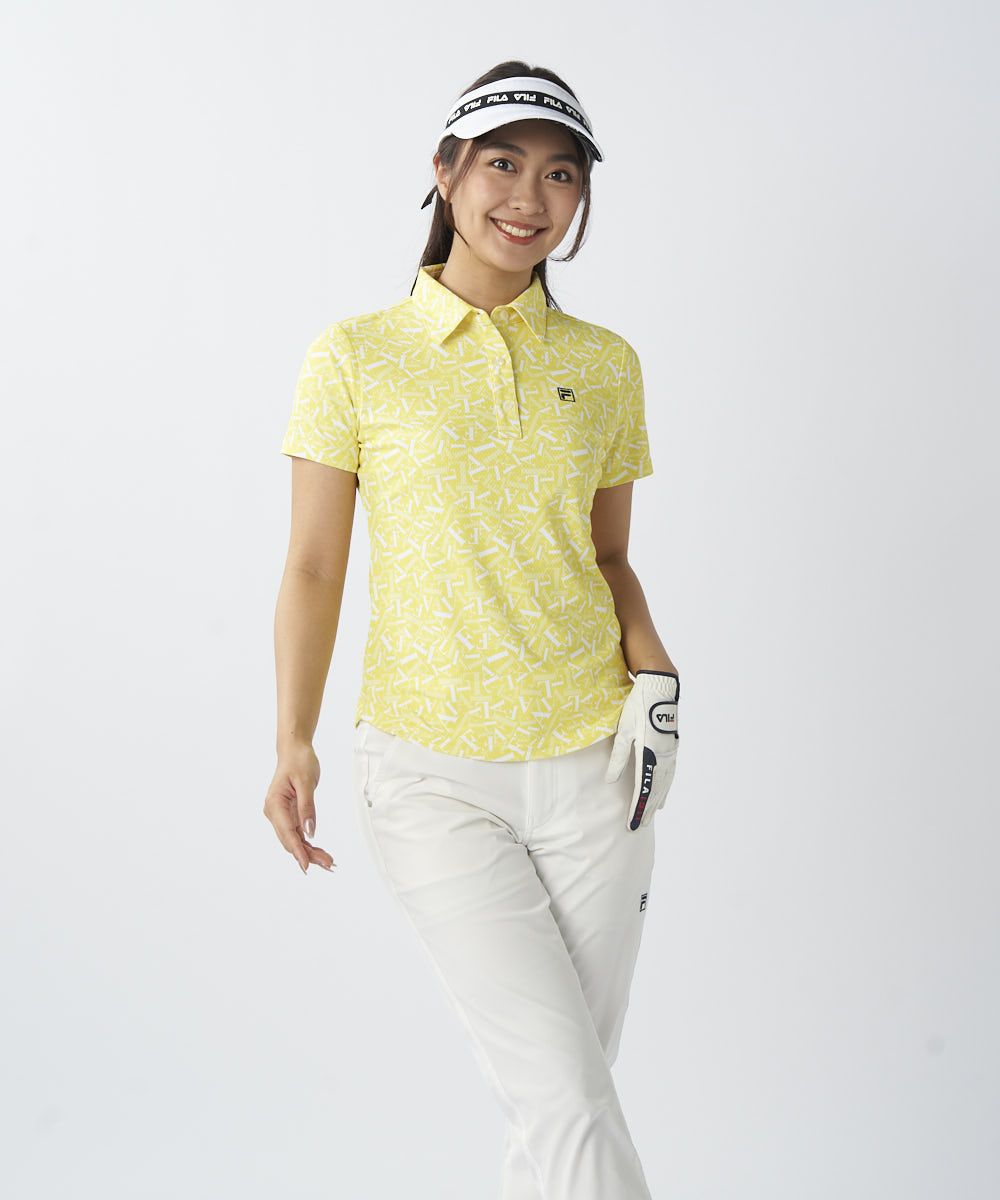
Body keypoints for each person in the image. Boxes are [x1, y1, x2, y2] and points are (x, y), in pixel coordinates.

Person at [266, 59, 681, 1200]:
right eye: (503, 163)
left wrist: (657, 681)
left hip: (600, 767)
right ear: (445, 173)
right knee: (566, 1097)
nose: (529, 198)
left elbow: (607, 559)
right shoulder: (355, 355)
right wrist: (293, 738)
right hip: (431, 773)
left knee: (559, 1100)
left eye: (560, 175)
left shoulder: (605, 365)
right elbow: (313, 565)